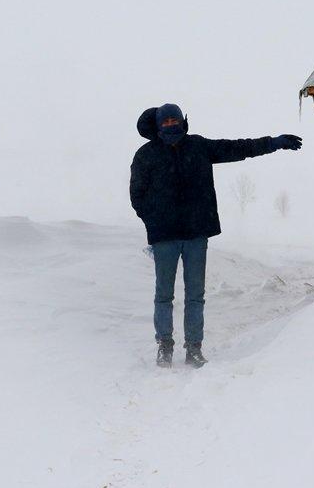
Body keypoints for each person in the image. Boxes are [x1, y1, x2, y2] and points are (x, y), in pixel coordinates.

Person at [129, 103, 302, 368]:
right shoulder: (146, 155)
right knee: (163, 295)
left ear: (183, 122)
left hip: (197, 234)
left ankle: (194, 349)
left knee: (195, 294)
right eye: (166, 122)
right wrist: (154, 221)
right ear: (158, 126)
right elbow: (136, 195)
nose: (171, 125)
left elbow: (239, 148)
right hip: (165, 238)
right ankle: (164, 346)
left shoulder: (198, 147)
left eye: (175, 120)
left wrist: (273, 143)